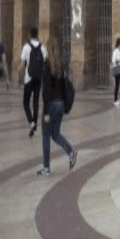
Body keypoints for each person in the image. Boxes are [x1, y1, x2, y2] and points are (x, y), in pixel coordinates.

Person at [38, 36, 77, 175]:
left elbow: (46, 91)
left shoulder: (47, 65)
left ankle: (46, 168)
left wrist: (47, 112)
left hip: (51, 105)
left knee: (46, 136)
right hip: (60, 104)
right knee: (55, 134)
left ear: (48, 49)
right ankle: (71, 151)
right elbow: (62, 88)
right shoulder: (60, 66)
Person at [20, 26, 47, 138]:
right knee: (36, 101)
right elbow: (45, 62)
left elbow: (23, 63)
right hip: (38, 77)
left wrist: (21, 75)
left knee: (26, 101)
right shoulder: (43, 48)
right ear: (37, 35)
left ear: (29, 35)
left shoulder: (26, 47)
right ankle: (35, 123)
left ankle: (31, 121)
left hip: (28, 78)